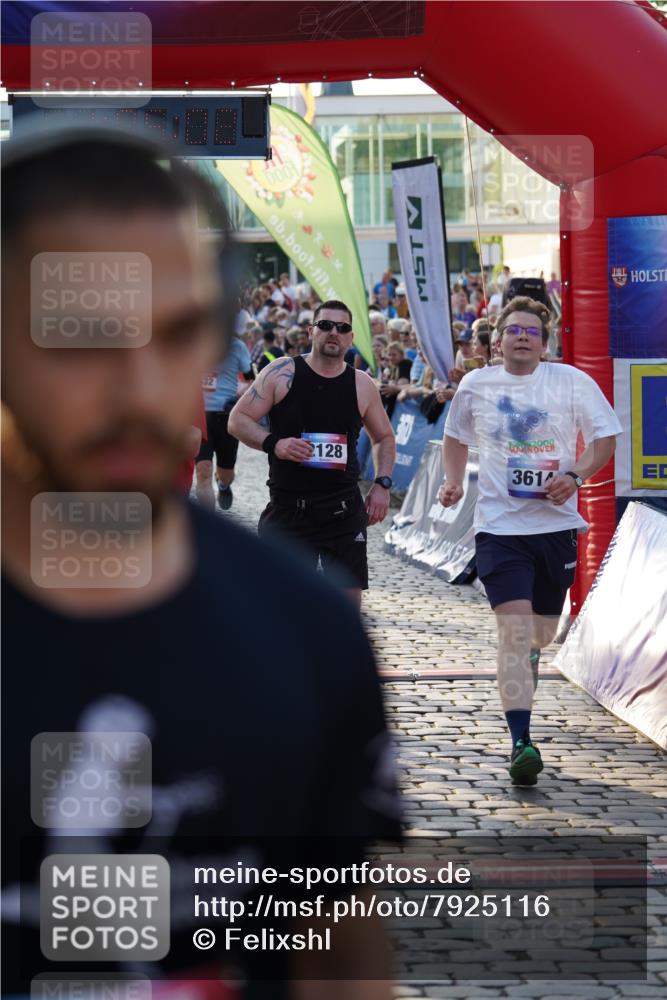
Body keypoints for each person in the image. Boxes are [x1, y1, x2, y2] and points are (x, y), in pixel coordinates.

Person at [2, 125, 400, 999]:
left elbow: (335, 951)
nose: (140, 388)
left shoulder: (307, 629)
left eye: (181, 331)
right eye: (82, 335)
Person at [439, 296, 621, 787]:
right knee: (515, 636)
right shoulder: (476, 385)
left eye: (532, 332)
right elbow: (455, 436)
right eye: (514, 330)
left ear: (545, 343)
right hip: (499, 531)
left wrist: (575, 477)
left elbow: (606, 438)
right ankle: (521, 742)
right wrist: (453, 481)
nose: (523, 336)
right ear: (497, 341)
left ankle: (529, 665)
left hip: (555, 531)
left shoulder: (571, 381)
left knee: (537, 637)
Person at [229, 300, 396, 608]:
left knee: (346, 613)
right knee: (283, 610)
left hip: (343, 512)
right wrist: (274, 443)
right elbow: (238, 420)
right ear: (310, 331)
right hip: (289, 509)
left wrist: (382, 484)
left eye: (342, 328)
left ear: (351, 338)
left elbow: (384, 436)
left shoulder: (362, 384)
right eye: (325, 325)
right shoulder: (281, 372)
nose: (334, 332)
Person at [196, 321, 255, 511]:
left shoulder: (237, 347)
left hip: (226, 416)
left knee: (226, 474)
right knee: (203, 470)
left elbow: (252, 381)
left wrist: (238, 397)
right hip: (199, 416)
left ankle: (223, 485)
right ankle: (208, 523)